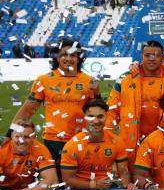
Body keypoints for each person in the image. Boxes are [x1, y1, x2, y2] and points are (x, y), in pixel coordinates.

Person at [10, 38, 100, 172]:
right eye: (64, 54)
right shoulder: (44, 80)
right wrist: (9, 133)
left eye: (73, 55)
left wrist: (97, 94)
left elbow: (99, 113)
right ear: (57, 57)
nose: (68, 58)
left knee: (80, 183)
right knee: (55, 184)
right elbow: (27, 111)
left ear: (79, 58)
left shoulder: (90, 81)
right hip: (53, 142)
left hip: (81, 140)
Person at [106, 40, 164, 169]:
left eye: (156, 55)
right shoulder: (125, 79)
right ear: (141, 56)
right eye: (147, 55)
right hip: (132, 140)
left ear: (163, 57)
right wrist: (106, 135)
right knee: (133, 180)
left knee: (163, 177)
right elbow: (112, 110)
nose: (152, 59)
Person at [60, 99, 133, 190]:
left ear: (106, 117)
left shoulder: (117, 142)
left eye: (100, 116)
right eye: (91, 116)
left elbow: (123, 173)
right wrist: (93, 185)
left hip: (106, 189)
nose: (96, 121)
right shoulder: (72, 145)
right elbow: (67, 181)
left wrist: (127, 185)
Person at [0, 119, 58, 190]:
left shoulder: (40, 149)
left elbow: (52, 182)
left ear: (34, 137)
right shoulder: (2, 149)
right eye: (17, 136)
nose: (21, 141)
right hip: (3, 189)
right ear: (11, 136)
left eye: (26, 137)